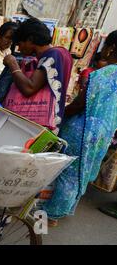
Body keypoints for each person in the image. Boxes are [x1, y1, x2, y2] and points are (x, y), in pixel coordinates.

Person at [43, 31, 117, 226]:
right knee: (81, 172)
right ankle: (65, 208)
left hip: (82, 128)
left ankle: (52, 214)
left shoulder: (102, 74)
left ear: (111, 48)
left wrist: (59, 113)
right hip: (104, 132)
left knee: (68, 172)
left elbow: (79, 105)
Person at [3, 18, 73, 133]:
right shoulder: (63, 53)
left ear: (30, 39)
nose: (19, 49)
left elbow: (29, 88)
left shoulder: (52, 54)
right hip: (51, 122)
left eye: (20, 44)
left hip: (42, 126)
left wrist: (12, 64)